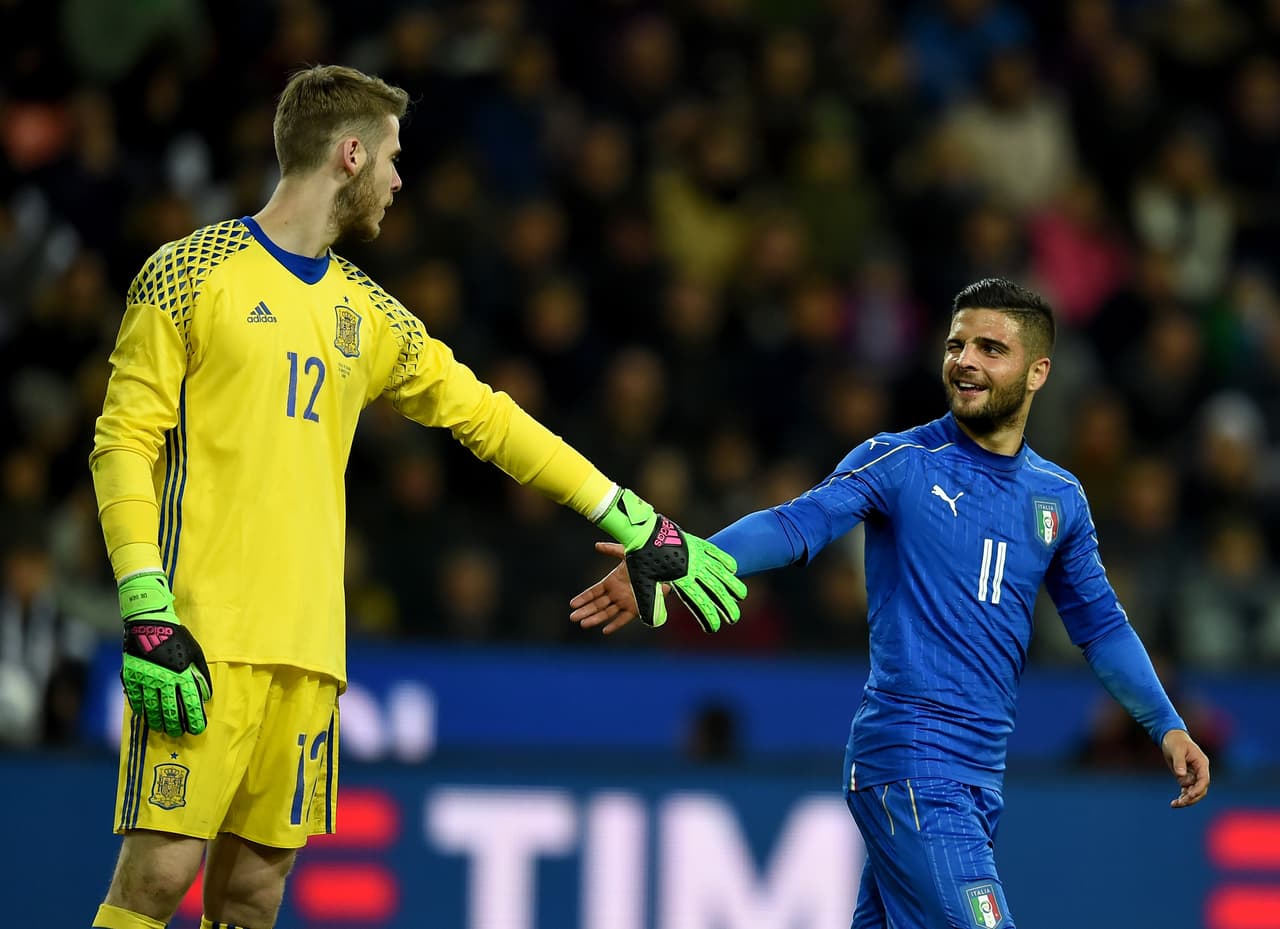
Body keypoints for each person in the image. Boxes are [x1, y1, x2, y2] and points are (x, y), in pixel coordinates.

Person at [88, 64, 745, 929]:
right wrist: (145, 599)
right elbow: (122, 441)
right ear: (350, 154)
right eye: (394, 157)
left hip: (310, 650)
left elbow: (491, 419)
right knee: (157, 878)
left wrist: (632, 515)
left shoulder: (370, 311)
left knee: (252, 896)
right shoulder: (189, 271)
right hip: (200, 631)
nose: (401, 180)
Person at [571, 277, 1210, 928]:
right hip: (911, 764)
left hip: (978, 777)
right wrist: (677, 558)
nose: (965, 360)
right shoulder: (899, 461)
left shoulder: (1059, 497)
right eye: (957, 343)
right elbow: (795, 526)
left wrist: (1166, 722)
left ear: (1038, 371)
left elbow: (1100, 626)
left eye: (991, 348)